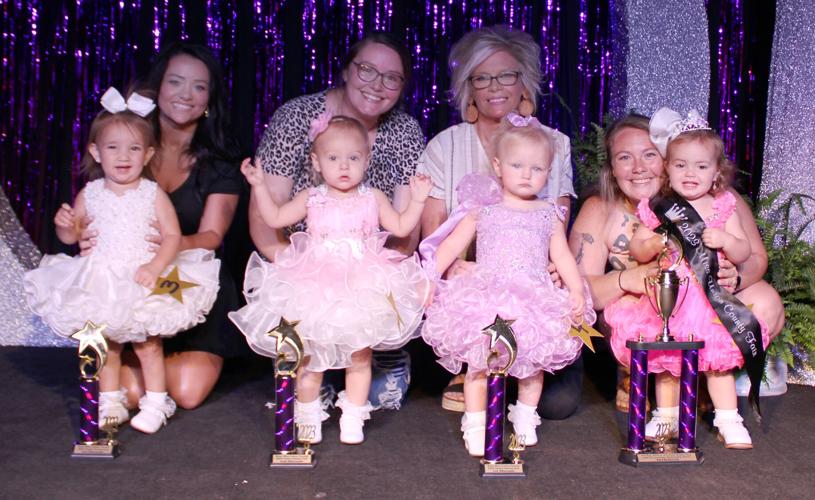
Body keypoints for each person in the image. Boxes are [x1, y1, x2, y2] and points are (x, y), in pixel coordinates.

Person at [23, 88, 220, 433]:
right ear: (96, 152)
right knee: (107, 345)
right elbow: (74, 237)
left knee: (148, 344)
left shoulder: (151, 193)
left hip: (144, 275)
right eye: (113, 147)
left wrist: (155, 267)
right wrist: (64, 226)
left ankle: (157, 402)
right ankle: (110, 399)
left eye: (133, 148)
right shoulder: (91, 193)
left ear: (148, 155)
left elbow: (172, 236)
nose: (123, 156)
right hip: (103, 279)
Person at [249, 32, 425, 410]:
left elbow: (404, 230)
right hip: (306, 261)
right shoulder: (298, 117)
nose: (378, 85)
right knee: (310, 372)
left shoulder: (405, 131)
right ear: (346, 70)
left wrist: (381, 288)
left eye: (392, 77)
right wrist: (294, 272)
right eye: (367, 70)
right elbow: (269, 219)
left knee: (373, 389)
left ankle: (382, 351)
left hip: (366, 265)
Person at [232, 115, 432, 444]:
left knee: (359, 354)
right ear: (316, 161)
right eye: (333, 158)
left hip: (362, 283)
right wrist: (258, 187)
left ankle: (353, 415)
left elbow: (400, 227)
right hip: (316, 284)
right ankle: (308, 414)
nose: (343, 166)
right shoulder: (312, 197)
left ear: (367, 160)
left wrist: (419, 199)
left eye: (353, 158)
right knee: (310, 355)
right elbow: (274, 218)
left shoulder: (373, 198)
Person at [569, 113, 784, 417]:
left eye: (649, 155)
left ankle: (703, 374)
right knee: (628, 308)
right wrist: (627, 280)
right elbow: (577, 289)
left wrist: (732, 278)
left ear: (667, 160)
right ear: (612, 169)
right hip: (645, 308)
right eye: (624, 157)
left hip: (700, 304)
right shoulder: (600, 207)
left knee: (766, 301)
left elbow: (757, 258)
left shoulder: (717, 198)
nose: (639, 167)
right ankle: (636, 374)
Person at [417, 25, 581, 416]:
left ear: (524, 83)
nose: (495, 86)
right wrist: (455, 272)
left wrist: (560, 281)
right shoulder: (445, 144)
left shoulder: (554, 143)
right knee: (478, 362)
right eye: (482, 77)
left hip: (531, 288)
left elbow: (555, 228)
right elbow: (437, 237)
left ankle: (522, 394)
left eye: (506, 75)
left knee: (558, 403)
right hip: (475, 286)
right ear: (468, 88)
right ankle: (477, 383)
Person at [79, 42, 246, 410]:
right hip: (129, 284)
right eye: (176, 82)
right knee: (132, 393)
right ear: (158, 88)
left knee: (186, 392)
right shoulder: (124, 148)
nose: (186, 95)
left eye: (199, 87)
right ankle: (132, 363)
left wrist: (172, 244)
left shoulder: (221, 164)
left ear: (209, 99)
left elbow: (212, 236)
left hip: (185, 283)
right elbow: (89, 213)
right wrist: (83, 234)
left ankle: (151, 364)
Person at [420, 121, 596, 456]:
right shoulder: (482, 207)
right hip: (487, 297)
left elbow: (561, 256)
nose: (527, 175)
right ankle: (474, 422)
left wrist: (575, 289)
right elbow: (450, 244)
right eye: (517, 166)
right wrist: (430, 276)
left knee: (532, 365)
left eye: (537, 168)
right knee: (479, 364)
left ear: (548, 171)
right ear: (498, 165)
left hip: (533, 298)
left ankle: (525, 417)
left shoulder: (549, 213)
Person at [605, 108, 769, 449]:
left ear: (717, 172)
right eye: (680, 165)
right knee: (667, 363)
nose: (690, 173)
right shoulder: (659, 206)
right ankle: (666, 418)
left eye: (701, 166)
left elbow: (743, 252)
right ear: (667, 168)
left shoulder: (723, 206)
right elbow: (638, 248)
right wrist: (651, 242)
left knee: (717, 364)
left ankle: (729, 419)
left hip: (707, 300)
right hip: (670, 299)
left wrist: (726, 242)